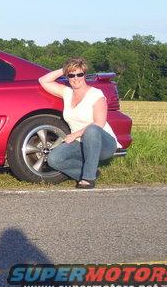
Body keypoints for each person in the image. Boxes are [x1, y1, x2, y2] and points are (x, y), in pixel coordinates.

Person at [38, 58, 121, 189]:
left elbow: (99, 123)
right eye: (71, 75)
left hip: (103, 144)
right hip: (80, 143)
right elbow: (43, 80)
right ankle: (89, 170)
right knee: (54, 159)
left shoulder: (96, 94)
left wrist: (74, 134)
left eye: (79, 74)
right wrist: (64, 69)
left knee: (92, 130)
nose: (75, 78)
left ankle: (88, 178)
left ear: (84, 75)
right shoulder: (67, 93)